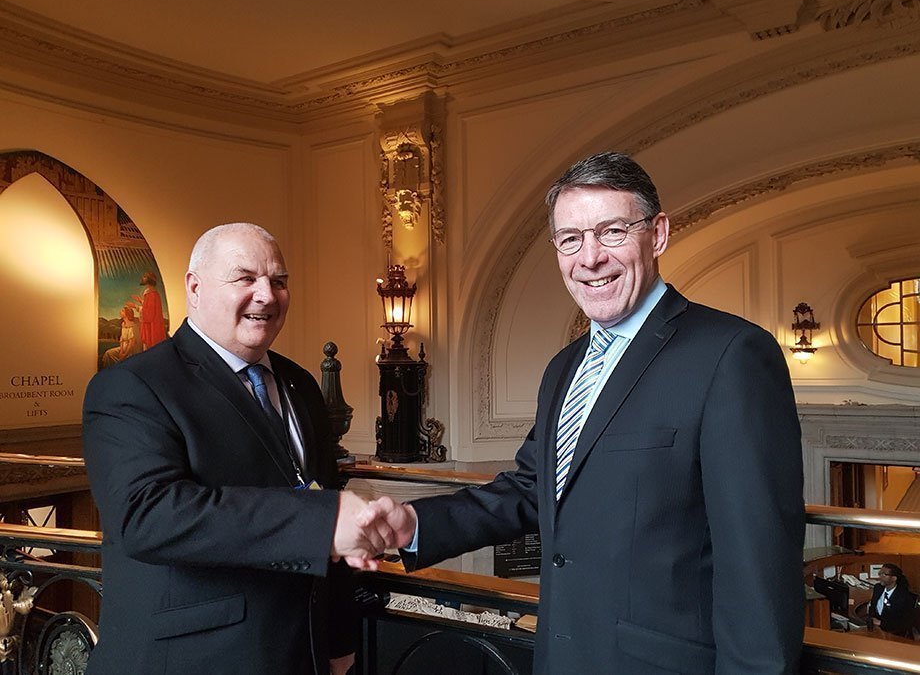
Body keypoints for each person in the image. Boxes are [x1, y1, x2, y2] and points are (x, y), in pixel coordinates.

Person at [364, 152, 806, 674]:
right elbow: (532, 488)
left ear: (658, 233)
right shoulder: (564, 367)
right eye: (570, 239)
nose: (589, 258)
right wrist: (413, 524)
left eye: (612, 232)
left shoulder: (731, 354)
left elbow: (759, 568)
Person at [83, 223, 398, 675]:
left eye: (279, 281)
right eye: (245, 278)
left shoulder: (301, 384)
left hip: (301, 654)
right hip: (191, 661)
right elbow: (147, 516)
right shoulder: (130, 385)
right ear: (195, 288)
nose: (267, 295)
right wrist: (322, 520)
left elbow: (319, 492)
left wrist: (338, 638)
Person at [869, 563, 916, 638]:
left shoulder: (904, 597)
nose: (880, 577)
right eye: (880, 573)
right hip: (876, 629)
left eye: (884, 574)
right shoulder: (878, 588)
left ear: (894, 578)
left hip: (895, 633)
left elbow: (904, 622)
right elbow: (873, 607)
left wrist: (881, 623)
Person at [134, 270, 167, 349]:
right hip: (153, 325)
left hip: (151, 328)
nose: (143, 278)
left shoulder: (151, 294)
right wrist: (141, 301)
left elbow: (148, 314)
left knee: (150, 348)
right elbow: (149, 307)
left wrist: (136, 306)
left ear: (149, 279)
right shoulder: (152, 293)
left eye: (145, 277)